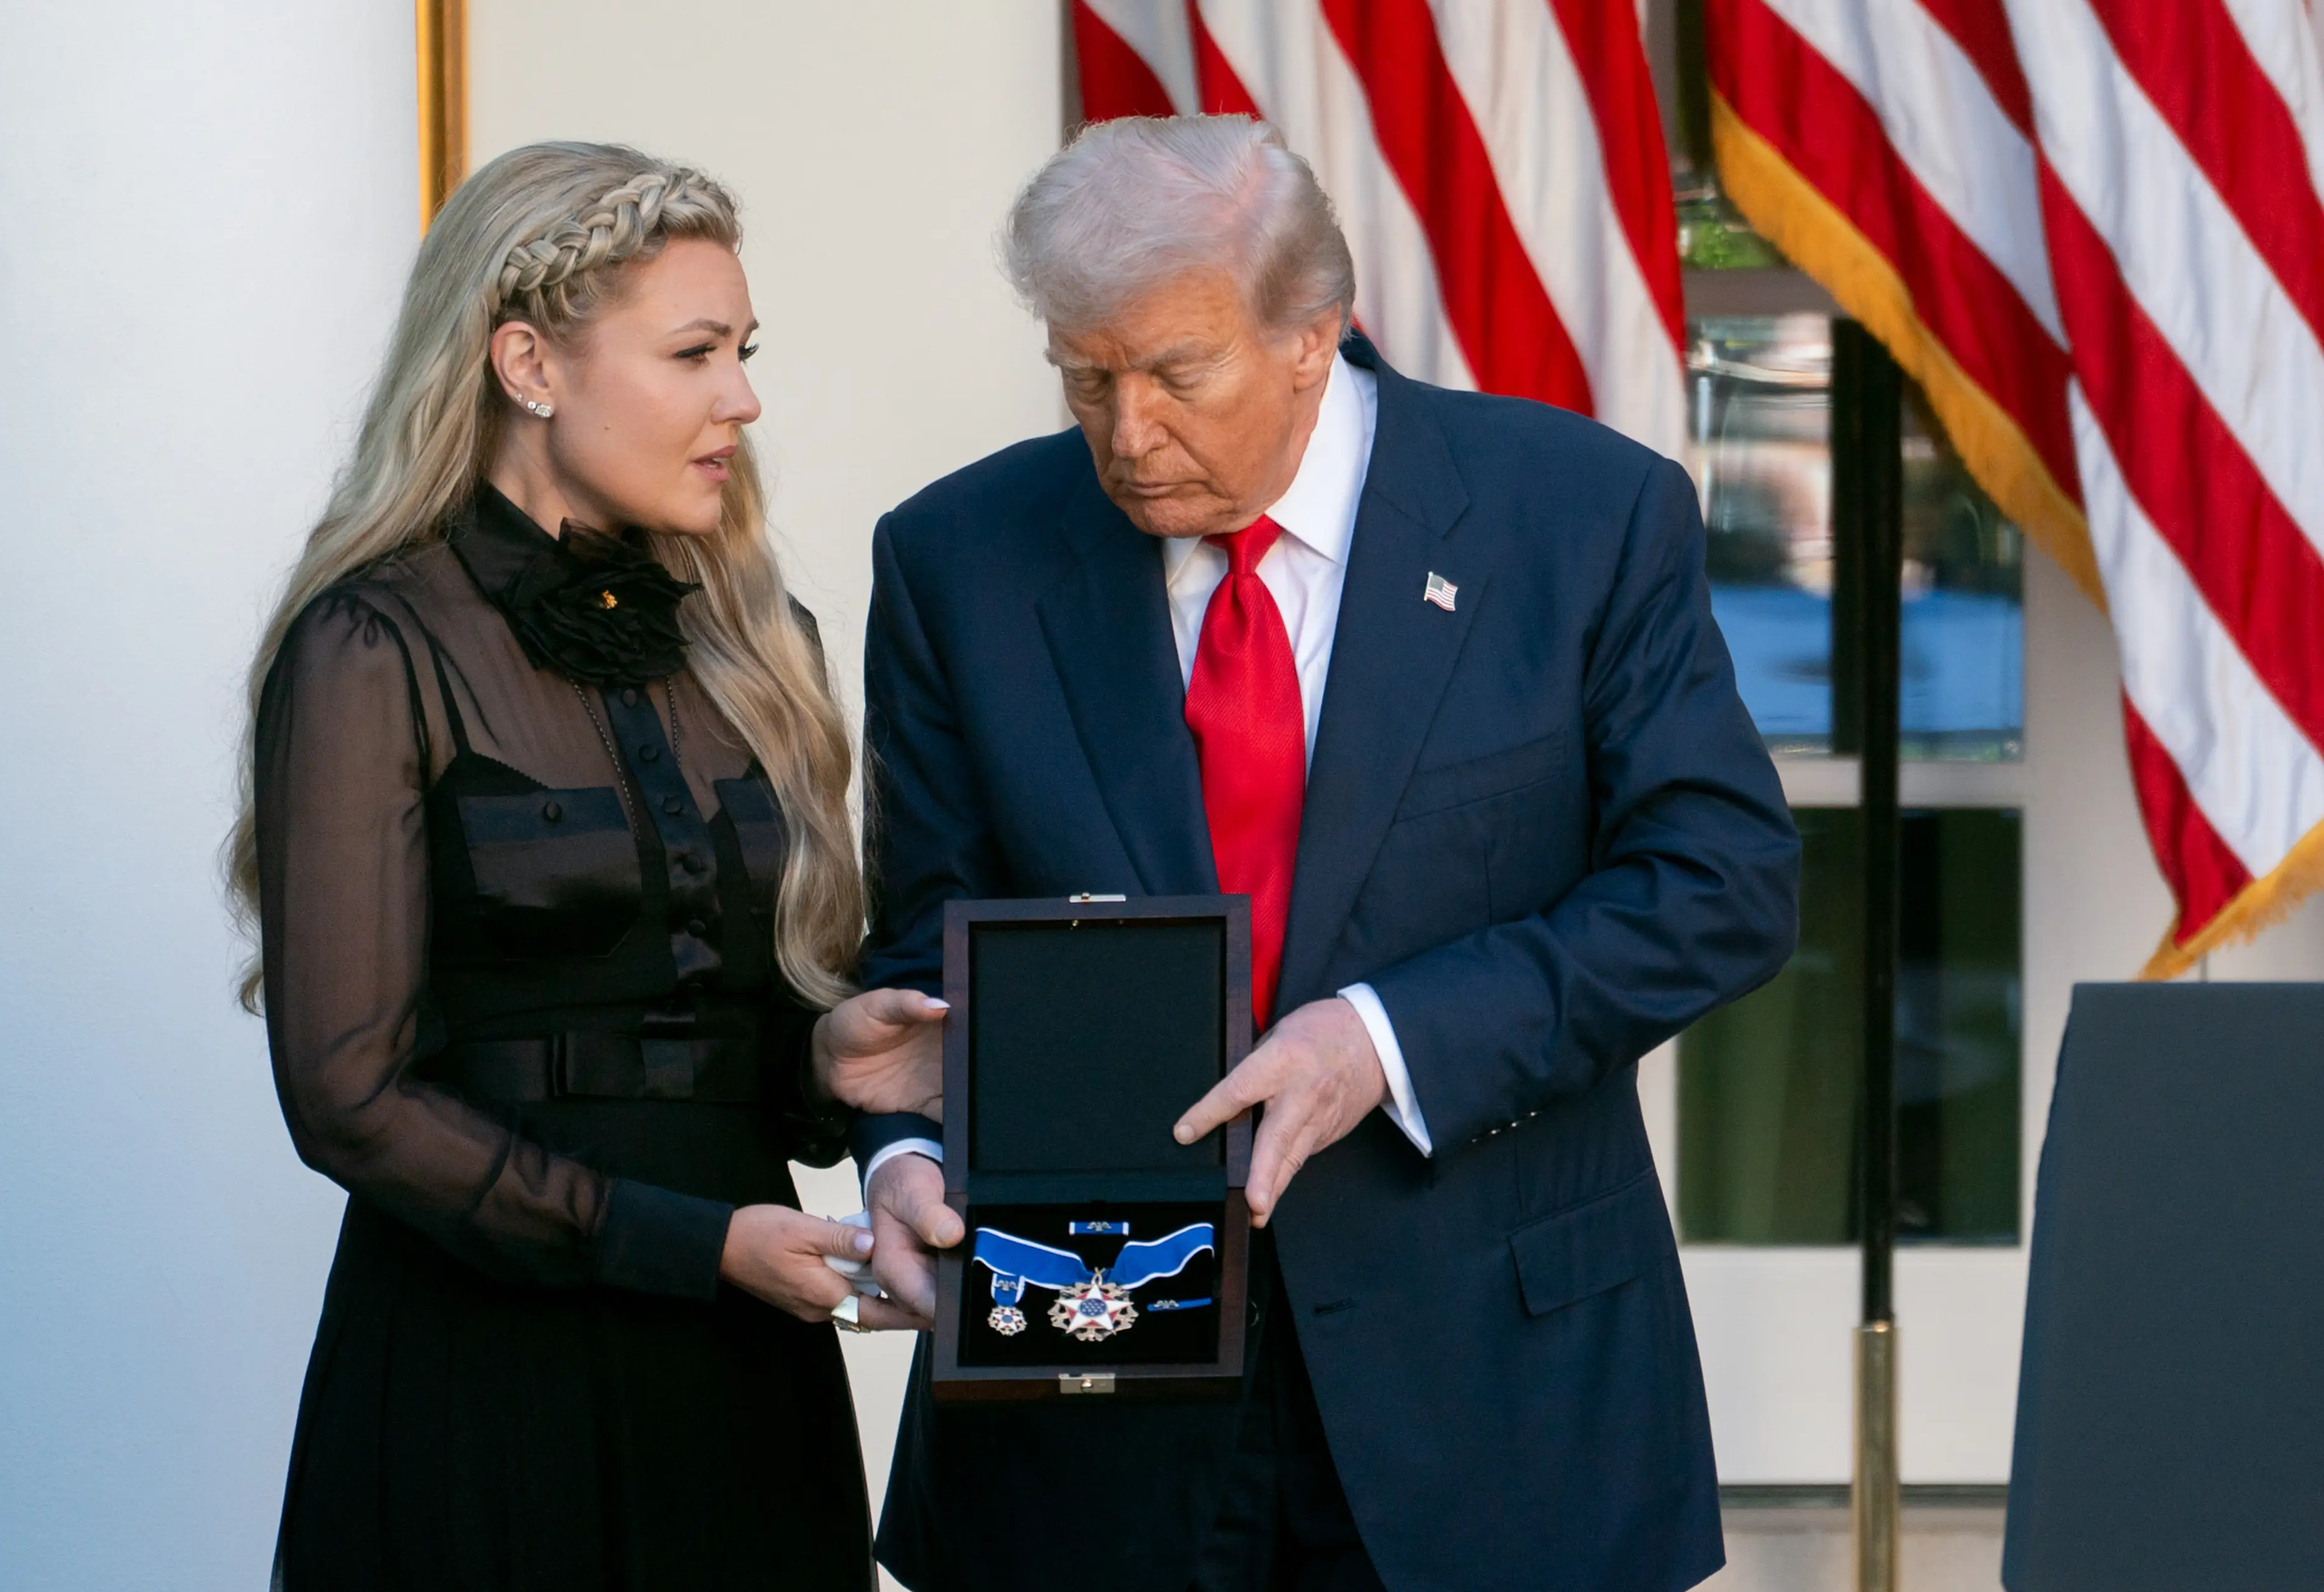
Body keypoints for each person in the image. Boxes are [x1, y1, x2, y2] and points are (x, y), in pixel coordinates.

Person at [849, 116, 1801, 1592]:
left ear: (1312, 334)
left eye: (1175, 374)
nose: (1126, 432)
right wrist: (906, 1156)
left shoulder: (1580, 515)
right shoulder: (957, 556)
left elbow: (1721, 883)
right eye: (1086, 377)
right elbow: (928, 943)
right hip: (1093, 1412)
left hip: (1489, 1392)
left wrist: (1385, 1039)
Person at [231, 142, 940, 1591]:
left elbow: (745, 1043)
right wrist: (688, 1245)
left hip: (745, 1378)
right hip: (483, 1378)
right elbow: (349, 1098)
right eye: (694, 352)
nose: (743, 398)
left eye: (744, 353)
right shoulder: (373, 643)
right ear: (528, 365)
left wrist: (830, 1054)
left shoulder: (762, 639)